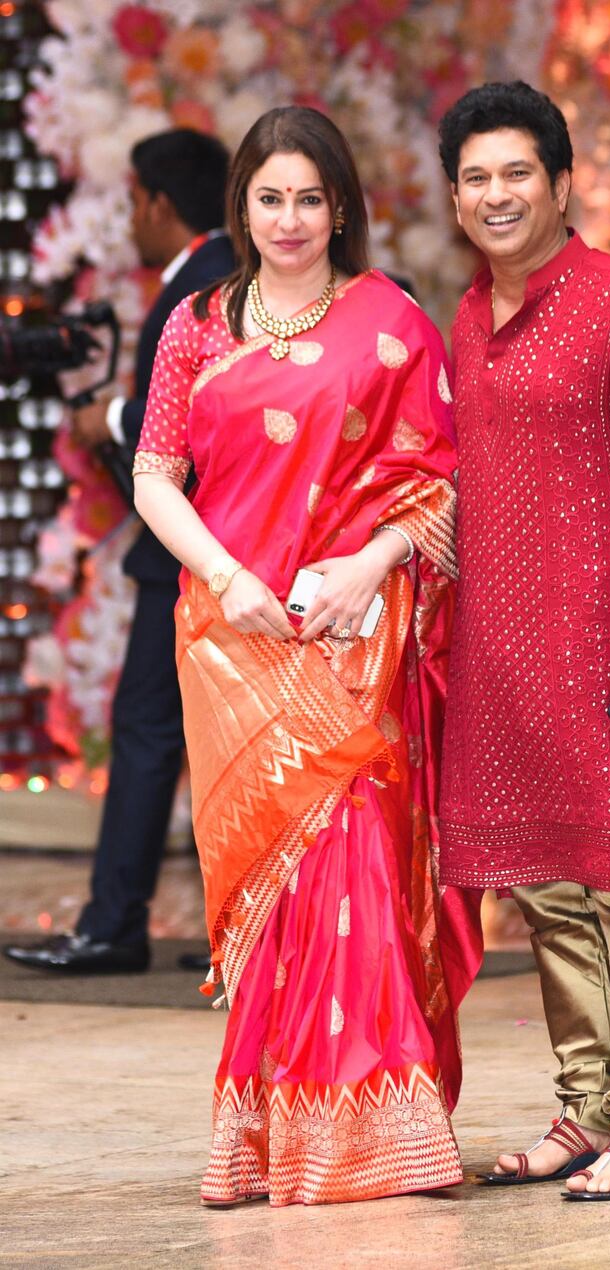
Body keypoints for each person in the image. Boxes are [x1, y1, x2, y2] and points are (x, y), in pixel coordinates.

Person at [131, 105, 483, 1208]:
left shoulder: (389, 321)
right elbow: (153, 474)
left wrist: (367, 566)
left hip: (348, 631)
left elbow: (440, 478)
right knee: (268, 901)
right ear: (242, 206)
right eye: (269, 198)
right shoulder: (196, 321)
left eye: (309, 199)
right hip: (234, 637)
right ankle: (266, 1139)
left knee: (354, 865)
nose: (289, 220)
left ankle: (378, 1136)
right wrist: (230, 576)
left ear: (342, 209)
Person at [436, 81, 610, 1201]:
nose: (496, 194)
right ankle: (584, 1105)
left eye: (517, 173)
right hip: (503, 654)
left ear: (561, 185)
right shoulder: (465, 316)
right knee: (548, 885)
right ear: (455, 195)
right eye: (475, 176)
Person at [4, 130, 233, 975]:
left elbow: (203, 425)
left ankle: (112, 927)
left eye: (135, 201)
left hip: (185, 555)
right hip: (201, 553)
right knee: (199, 741)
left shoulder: (201, 285)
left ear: (159, 205)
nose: (131, 218)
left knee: (147, 734)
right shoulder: (213, 277)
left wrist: (112, 418)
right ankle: (223, 933)